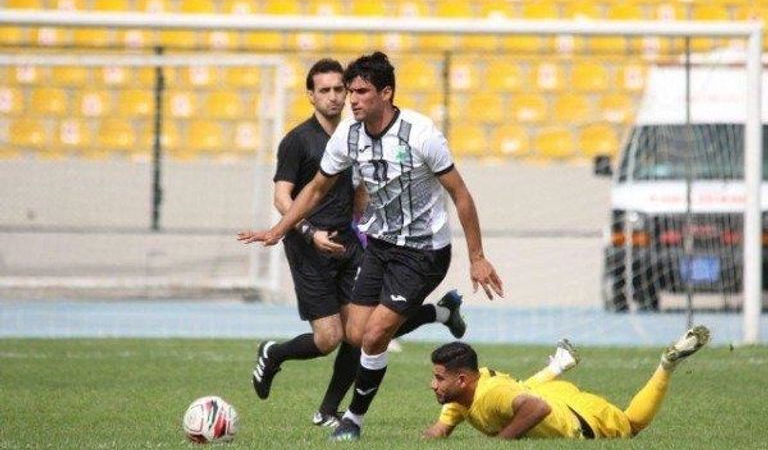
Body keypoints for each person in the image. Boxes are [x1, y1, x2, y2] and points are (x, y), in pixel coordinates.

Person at [238, 51, 504, 441]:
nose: (352, 100)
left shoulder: (421, 133)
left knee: (376, 333)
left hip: (423, 251)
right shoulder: (348, 134)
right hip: (379, 246)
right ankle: (442, 314)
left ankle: (352, 420)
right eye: (349, 92)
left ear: (386, 93)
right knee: (356, 335)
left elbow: (460, 194)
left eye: (360, 92)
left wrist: (477, 257)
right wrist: (280, 229)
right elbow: (315, 188)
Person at [423, 325, 711, 440]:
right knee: (522, 389)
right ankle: (558, 365)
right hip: (553, 392)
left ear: (462, 380)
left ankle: (666, 365)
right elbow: (440, 429)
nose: (432, 385)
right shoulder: (464, 392)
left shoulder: (490, 394)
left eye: (438, 378)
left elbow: (536, 409)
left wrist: (502, 441)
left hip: (583, 418)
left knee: (631, 425)